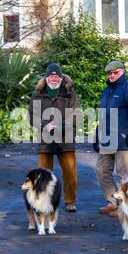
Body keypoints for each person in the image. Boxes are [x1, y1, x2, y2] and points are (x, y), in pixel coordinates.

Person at [29, 63, 80, 212]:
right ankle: (43, 202)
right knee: (43, 174)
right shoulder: (37, 93)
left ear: (61, 77)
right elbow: (32, 116)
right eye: (50, 76)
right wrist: (46, 125)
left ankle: (70, 202)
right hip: (46, 139)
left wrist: (62, 126)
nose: (53, 79)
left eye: (56, 76)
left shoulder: (69, 92)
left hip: (66, 139)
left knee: (70, 172)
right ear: (46, 77)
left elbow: (76, 114)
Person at [93, 61, 128, 215]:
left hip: (122, 138)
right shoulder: (106, 91)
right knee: (101, 171)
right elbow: (103, 116)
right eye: (109, 73)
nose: (112, 75)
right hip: (106, 138)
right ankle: (113, 202)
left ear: (122, 72)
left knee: (124, 174)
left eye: (116, 72)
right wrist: (97, 135)